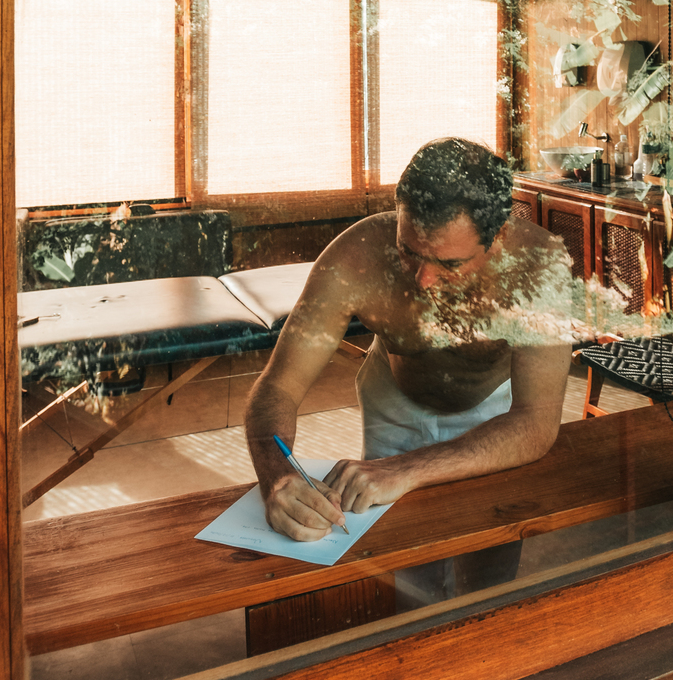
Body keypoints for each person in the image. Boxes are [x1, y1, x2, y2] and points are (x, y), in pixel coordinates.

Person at [244, 139, 574, 565]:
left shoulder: (538, 267)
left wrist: (405, 470)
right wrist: (277, 477)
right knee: (398, 561)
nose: (423, 281)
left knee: (489, 557)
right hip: (394, 400)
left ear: (500, 236)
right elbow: (278, 387)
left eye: (449, 265)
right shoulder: (354, 256)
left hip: (496, 415)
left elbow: (536, 421)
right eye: (408, 252)